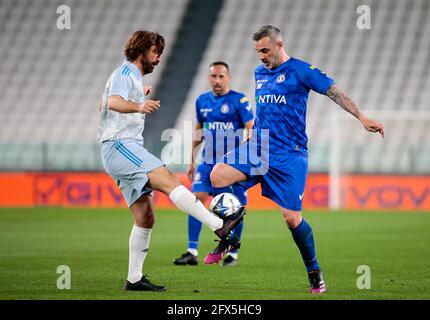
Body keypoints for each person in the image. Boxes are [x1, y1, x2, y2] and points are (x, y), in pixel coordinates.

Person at [207, 25, 385, 294]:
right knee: (218, 175)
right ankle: (231, 237)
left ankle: (314, 271)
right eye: (257, 52)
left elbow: (334, 92)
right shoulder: (259, 73)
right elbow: (265, 109)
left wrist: (361, 117)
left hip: (290, 154)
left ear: (280, 45)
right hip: (259, 146)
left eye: (265, 50)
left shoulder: (302, 71)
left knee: (292, 219)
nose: (261, 57)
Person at [97, 31, 245, 292]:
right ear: (142, 50)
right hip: (120, 146)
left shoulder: (130, 78)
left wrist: (137, 97)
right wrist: (139, 106)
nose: (157, 59)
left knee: (145, 217)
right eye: (155, 53)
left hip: (119, 149)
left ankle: (133, 280)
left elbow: (103, 103)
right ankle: (220, 226)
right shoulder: (126, 73)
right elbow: (111, 102)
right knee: (169, 180)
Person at [173, 61, 254, 267]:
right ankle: (192, 251)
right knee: (195, 201)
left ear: (228, 77)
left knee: (235, 207)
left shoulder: (239, 100)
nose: (217, 80)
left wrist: (248, 144)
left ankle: (233, 253)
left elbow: (251, 126)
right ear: (209, 78)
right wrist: (192, 159)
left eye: (221, 76)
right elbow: (199, 128)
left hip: (230, 167)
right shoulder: (202, 101)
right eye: (213, 76)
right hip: (207, 162)